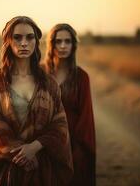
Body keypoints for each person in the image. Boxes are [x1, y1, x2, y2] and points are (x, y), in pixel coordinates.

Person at [0, 16, 73, 186]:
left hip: (43, 168)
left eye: (30, 37)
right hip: (8, 169)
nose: (24, 43)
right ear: (8, 41)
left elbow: (60, 126)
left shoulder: (48, 83)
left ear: (36, 42)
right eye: (17, 37)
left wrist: (35, 147)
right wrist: (23, 155)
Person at [43, 23, 96, 186]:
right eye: (58, 41)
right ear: (51, 44)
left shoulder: (81, 77)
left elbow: (86, 117)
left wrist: (77, 149)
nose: (63, 46)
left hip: (73, 143)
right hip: (44, 143)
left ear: (74, 45)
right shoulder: (40, 74)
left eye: (68, 41)